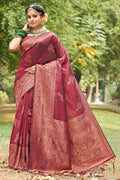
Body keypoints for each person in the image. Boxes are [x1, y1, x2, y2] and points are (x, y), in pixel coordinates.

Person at [8, 3, 115, 175]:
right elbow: (12, 47)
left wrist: (40, 70)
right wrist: (22, 31)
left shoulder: (51, 37)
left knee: (39, 119)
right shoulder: (25, 35)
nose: (32, 19)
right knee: (25, 117)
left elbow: (62, 62)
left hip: (43, 84)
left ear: (44, 17)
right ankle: (23, 160)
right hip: (26, 81)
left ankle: (43, 159)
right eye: (29, 17)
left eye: (35, 16)